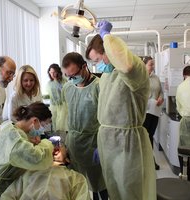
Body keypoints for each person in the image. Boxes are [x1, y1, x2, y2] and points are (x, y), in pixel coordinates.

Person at [85, 21, 156, 200]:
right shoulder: (108, 75)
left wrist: (106, 36)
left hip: (127, 143)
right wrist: (102, 143)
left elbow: (126, 66)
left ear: (109, 51)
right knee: (114, 190)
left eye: (98, 60)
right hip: (109, 142)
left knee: (130, 191)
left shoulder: (136, 70)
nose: (97, 66)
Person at [59, 52, 108, 200]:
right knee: (77, 183)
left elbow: (106, 119)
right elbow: (65, 116)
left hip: (94, 143)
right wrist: (63, 142)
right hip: (73, 143)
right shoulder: (68, 88)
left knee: (99, 183)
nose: (72, 79)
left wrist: (102, 144)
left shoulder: (99, 86)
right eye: (68, 76)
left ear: (84, 67)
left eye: (74, 75)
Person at [0, 102, 54, 197]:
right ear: (35, 121)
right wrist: (48, 143)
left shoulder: (13, 128)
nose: (43, 129)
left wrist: (30, 139)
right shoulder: (16, 139)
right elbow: (37, 157)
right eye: (44, 125)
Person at [1, 144, 91, 200]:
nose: (56, 147)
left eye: (61, 147)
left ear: (67, 159)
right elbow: (9, 195)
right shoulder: (29, 172)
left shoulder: (75, 177)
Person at [142, 56, 164, 170]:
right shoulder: (140, 78)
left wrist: (161, 98)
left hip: (155, 111)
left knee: (150, 135)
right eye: (151, 64)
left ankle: (150, 161)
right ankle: (148, 161)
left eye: (153, 64)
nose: (153, 66)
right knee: (145, 137)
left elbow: (160, 91)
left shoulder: (156, 78)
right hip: (144, 112)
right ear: (144, 65)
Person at [47, 63, 67, 131]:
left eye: (54, 72)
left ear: (58, 72)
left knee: (62, 124)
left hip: (63, 106)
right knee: (55, 124)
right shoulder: (49, 83)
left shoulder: (64, 81)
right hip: (54, 107)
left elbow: (65, 93)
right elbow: (49, 95)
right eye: (51, 72)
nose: (52, 74)